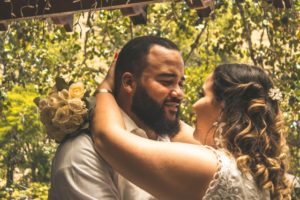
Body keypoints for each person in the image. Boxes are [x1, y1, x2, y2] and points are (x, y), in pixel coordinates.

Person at [92, 63, 292, 199]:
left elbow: (106, 138)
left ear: (223, 107)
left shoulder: (211, 166)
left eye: (202, 94)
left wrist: (106, 87)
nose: (194, 104)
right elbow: (175, 129)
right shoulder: (256, 172)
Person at [48, 36, 196, 199]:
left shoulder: (167, 136)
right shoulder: (80, 154)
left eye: (180, 84)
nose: (179, 93)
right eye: (167, 82)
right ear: (129, 83)